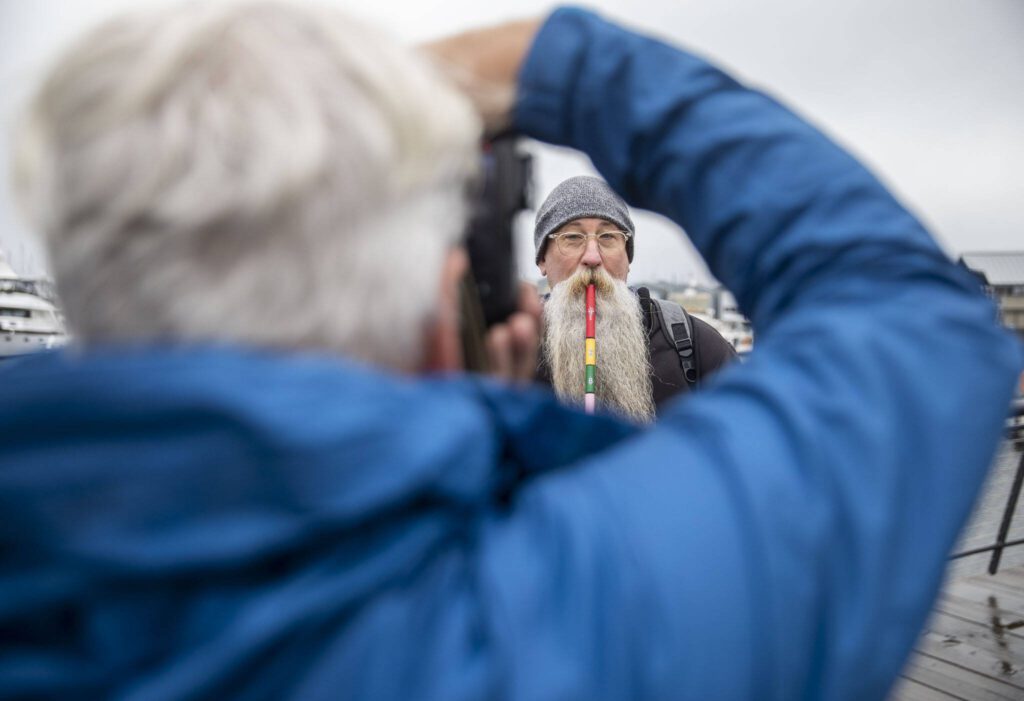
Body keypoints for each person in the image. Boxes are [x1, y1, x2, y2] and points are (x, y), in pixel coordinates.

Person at [1, 4, 1020, 701]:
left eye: (607, 240)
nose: (588, 258)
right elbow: (901, 322)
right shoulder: (600, 618)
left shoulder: (689, 336)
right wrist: (563, 64)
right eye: (566, 239)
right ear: (475, 302)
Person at [533, 175, 736, 421]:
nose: (592, 257)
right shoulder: (514, 352)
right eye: (572, 238)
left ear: (627, 258)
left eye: (608, 237)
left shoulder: (695, 346)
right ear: (542, 259)